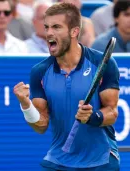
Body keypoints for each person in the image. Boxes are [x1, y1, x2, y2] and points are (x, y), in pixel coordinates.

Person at [13, 2, 120, 170]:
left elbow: (112, 112)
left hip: (101, 160)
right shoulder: (39, 72)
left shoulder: (101, 63)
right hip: (58, 161)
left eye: (56, 27)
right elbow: (41, 125)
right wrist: (26, 105)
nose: (49, 33)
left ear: (74, 31)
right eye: (46, 27)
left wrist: (92, 117)